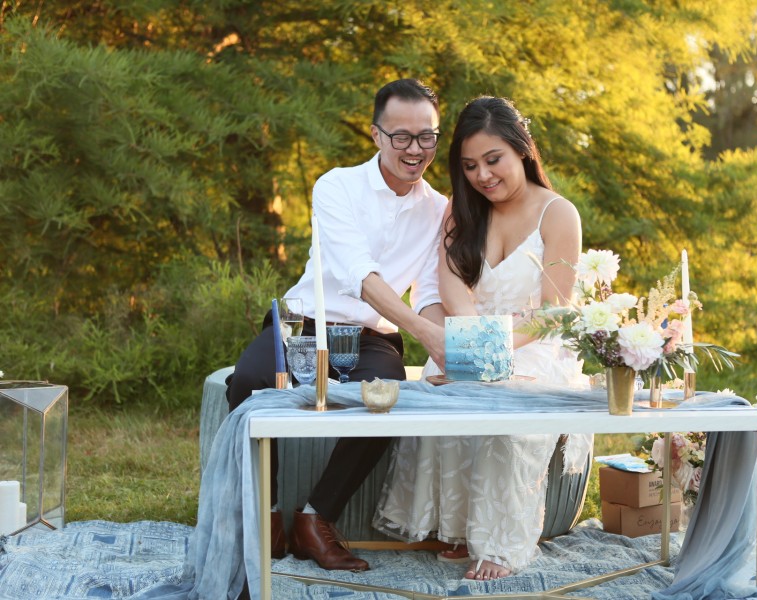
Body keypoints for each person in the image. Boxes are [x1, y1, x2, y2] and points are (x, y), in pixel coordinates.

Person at [226, 78, 448, 572]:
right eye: (401, 136)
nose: (415, 149)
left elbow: (430, 293)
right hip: (303, 323)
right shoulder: (335, 185)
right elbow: (358, 274)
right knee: (248, 382)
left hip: (372, 337)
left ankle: (316, 519)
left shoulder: (440, 209)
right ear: (375, 135)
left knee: (388, 396)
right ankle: (266, 515)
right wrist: (425, 333)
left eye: (427, 136)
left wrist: (442, 345)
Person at [373, 96, 591, 580]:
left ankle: (500, 544)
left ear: (522, 149)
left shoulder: (558, 214)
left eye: (493, 160)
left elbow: (554, 310)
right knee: (442, 386)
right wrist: (474, 346)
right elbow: (452, 284)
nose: (482, 176)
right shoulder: (461, 209)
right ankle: (458, 529)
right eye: (470, 166)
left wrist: (495, 349)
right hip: (472, 335)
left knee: (508, 407)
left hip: (533, 344)